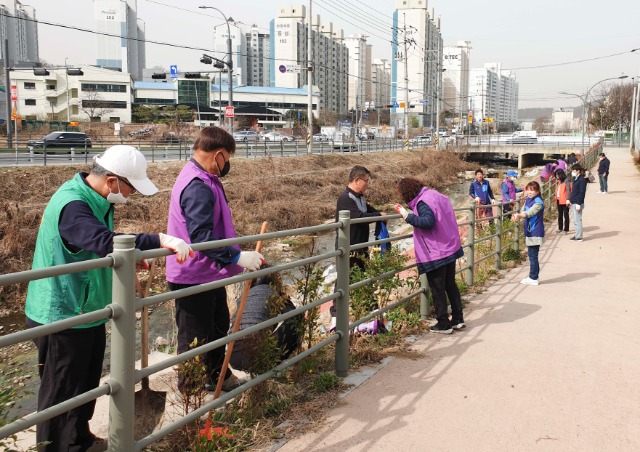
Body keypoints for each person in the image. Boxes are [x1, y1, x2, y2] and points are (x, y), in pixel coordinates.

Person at [25, 145, 194, 452]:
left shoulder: (96, 199)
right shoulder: (72, 204)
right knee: (62, 392)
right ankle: (57, 447)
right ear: (113, 180)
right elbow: (103, 240)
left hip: (86, 307)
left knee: (85, 383)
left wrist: (131, 257)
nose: (130, 195)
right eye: (130, 187)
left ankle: (80, 440)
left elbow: (101, 247)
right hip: (61, 312)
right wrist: (157, 239)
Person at [166, 126, 265, 393]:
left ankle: (216, 376)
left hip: (207, 271)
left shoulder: (203, 178)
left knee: (217, 326)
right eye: (228, 158)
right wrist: (236, 256)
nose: (228, 164)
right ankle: (191, 392)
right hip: (192, 274)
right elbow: (200, 235)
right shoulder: (197, 186)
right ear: (219, 155)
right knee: (194, 336)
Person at [395, 177, 465, 334]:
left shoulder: (422, 202)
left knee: (437, 288)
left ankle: (443, 323)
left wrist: (407, 216)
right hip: (448, 245)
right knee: (450, 285)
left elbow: (428, 221)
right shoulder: (436, 195)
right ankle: (458, 318)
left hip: (435, 251)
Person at [229, 266, 303, 373]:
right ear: (274, 280)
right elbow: (292, 315)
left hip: (234, 359)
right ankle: (274, 361)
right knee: (297, 317)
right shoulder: (272, 292)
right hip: (257, 359)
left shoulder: (243, 296)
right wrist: (285, 299)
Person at [335, 165, 382, 271]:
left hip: (361, 247)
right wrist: (379, 216)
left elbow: (369, 209)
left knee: (362, 280)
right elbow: (359, 218)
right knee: (346, 281)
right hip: (348, 249)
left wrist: (380, 215)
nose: (367, 185)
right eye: (366, 181)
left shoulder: (360, 197)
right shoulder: (346, 198)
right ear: (357, 180)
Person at [511, 181, 545, 286]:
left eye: (532, 190)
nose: (529, 192)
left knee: (533, 256)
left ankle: (534, 278)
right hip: (530, 231)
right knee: (531, 255)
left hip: (535, 231)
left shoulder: (538, 202)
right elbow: (523, 210)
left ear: (537, 191)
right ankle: (532, 276)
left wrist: (519, 215)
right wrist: (517, 215)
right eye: (528, 190)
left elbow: (530, 213)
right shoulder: (528, 199)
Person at [567, 164, 588, 242]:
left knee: (577, 220)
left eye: (574, 170)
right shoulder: (577, 178)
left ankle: (579, 237)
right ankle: (577, 235)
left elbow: (582, 192)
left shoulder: (582, 179)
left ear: (578, 171)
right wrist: (570, 200)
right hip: (574, 201)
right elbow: (574, 191)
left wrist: (579, 203)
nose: (573, 172)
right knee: (575, 220)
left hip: (577, 202)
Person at [554, 169, 571, 235]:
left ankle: (566, 229)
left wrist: (568, 199)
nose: (557, 176)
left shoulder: (566, 180)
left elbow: (568, 190)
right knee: (560, 214)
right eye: (556, 175)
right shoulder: (559, 181)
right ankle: (560, 228)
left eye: (557, 175)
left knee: (565, 214)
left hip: (565, 200)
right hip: (559, 199)